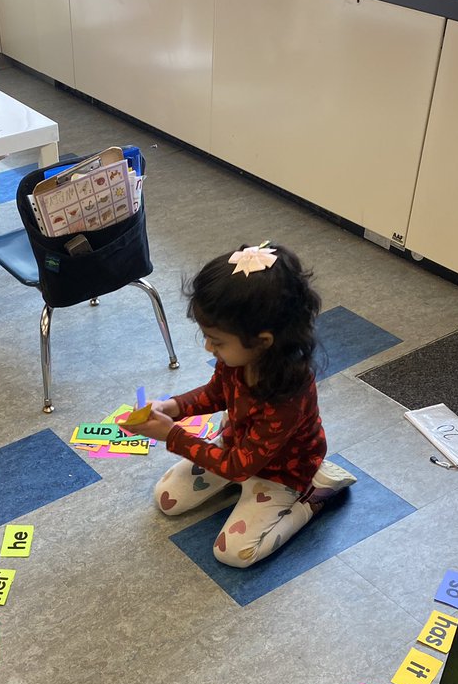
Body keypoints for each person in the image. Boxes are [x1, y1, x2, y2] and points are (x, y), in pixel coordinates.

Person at [125, 241, 355, 568]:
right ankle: (243, 487)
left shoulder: (286, 395)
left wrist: (173, 436)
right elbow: (216, 393)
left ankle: (313, 496)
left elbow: (237, 467)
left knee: (233, 553)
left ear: (263, 341)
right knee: (167, 498)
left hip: (281, 473)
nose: (208, 347)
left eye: (216, 341)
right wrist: (173, 407)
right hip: (237, 450)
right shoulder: (237, 359)